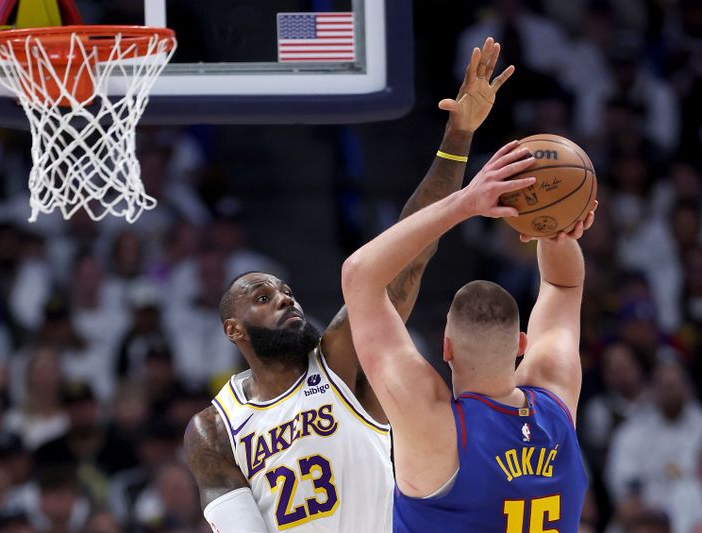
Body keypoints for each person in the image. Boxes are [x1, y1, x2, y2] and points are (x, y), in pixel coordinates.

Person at [183, 37, 515, 532]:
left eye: (285, 292)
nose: (284, 299)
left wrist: (458, 137)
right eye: (262, 297)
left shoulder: (343, 357)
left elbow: (410, 254)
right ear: (233, 330)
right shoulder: (214, 428)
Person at [341, 142, 596, 531]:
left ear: (446, 349)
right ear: (522, 346)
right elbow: (563, 285)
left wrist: (467, 204)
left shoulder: (434, 429)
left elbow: (360, 275)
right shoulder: (555, 400)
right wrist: (552, 225)